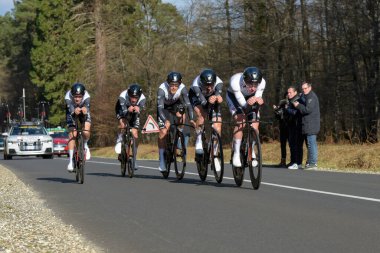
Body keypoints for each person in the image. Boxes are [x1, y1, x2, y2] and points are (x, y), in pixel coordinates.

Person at [157, 71, 196, 173]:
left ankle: (179, 135)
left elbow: (188, 105)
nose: (174, 87)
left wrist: (191, 119)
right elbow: (160, 109)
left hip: (175, 105)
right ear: (168, 83)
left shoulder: (182, 88)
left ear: (179, 84)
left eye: (176, 85)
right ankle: (161, 158)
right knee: (163, 131)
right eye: (171, 85)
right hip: (163, 108)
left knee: (181, 114)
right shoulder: (162, 90)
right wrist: (165, 121)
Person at [226, 67, 266, 167]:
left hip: (250, 98)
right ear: (244, 80)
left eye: (255, 85)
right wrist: (248, 105)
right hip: (234, 97)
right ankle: (236, 153)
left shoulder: (262, 82)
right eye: (249, 84)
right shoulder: (235, 81)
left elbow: (257, 98)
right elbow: (244, 105)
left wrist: (259, 101)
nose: (252, 88)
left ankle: (251, 150)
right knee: (241, 121)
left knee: (255, 124)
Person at [189, 69, 224, 171]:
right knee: (202, 115)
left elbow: (217, 98)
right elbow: (205, 104)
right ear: (201, 83)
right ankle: (199, 139)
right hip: (197, 97)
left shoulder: (219, 83)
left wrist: (218, 99)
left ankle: (215, 154)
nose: (209, 88)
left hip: (211, 98)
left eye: (211, 85)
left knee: (218, 125)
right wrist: (210, 101)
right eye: (206, 85)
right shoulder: (196, 85)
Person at [114, 84, 146, 165]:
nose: (134, 100)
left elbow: (142, 109)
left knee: (135, 134)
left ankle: (134, 159)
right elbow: (125, 113)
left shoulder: (142, 98)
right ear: (128, 95)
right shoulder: (122, 96)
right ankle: (120, 139)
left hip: (134, 112)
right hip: (121, 109)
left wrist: (139, 108)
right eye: (132, 97)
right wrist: (128, 110)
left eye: (136, 98)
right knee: (123, 124)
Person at [65, 83, 91, 172]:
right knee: (73, 134)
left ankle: (85, 144)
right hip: (71, 111)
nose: (77, 98)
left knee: (86, 130)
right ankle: (70, 162)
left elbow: (87, 108)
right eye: (75, 96)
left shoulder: (87, 97)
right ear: (72, 95)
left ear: (83, 95)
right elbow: (70, 110)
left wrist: (84, 110)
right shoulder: (68, 97)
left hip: (83, 110)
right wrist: (74, 111)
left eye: (80, 97)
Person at [293, 81, 320, 169]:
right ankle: (309, 162)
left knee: (311, 144)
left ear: (310, 88)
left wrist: (298, 105)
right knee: (309, 144)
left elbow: (307, 110)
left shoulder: (311, 97)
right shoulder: (306, 96)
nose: (304, 90)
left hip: (311, 124)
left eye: (306, 88)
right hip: (307, 124)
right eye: (303, 88)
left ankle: (313, 163)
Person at [285, 86, 303, 170]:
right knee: (291, 144)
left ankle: (297, 162)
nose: (288, 94)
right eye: (288, 92)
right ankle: (293, 161)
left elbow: (297, 112)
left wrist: (287, 109)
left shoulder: (298, 100)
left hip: (296, 125)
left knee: (296, 144)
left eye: (290, 92)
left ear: (295, 92)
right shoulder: (289, 100)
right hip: (290, 125)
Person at [273, 92, 289, 167]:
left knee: (292, 145)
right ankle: (283, 161)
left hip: (290, 126)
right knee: (283, 145)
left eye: (289, 95)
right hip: (282, 126)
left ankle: (293, 161)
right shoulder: (282, 104)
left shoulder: (293, 103)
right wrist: (276, 110)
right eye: (286, 95)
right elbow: (278, 116)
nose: (287, 97)